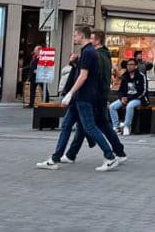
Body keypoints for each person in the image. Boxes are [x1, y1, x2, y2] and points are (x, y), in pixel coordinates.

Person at [36, 26, 119, 172]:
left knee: (89, 127)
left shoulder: (88, 52)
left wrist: (70, 93)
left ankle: (110, 156)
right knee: (66, 125)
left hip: (84, 96)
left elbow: (83, 75)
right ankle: (55, 158)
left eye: (76, 36)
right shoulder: (88, 52)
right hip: (80, 96)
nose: (74, 38)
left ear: (82, 36)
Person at [109, 58, 147, 135]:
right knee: (112, 106)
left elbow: (142, 91)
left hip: (138, 98)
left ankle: (127, 126)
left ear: (136, 66)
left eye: (131, 65)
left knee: (129, 106)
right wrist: (122, 97)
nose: (129, 66)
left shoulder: (141, 76)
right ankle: (116, 127)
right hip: (126, 98)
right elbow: (121, 90)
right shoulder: (125, 76)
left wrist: (128, 98)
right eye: (128, 65)